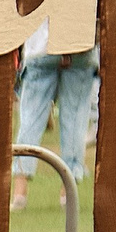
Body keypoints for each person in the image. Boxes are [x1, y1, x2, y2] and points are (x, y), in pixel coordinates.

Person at [10, 21, 96, 210]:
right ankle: (68, 196)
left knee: (30, 120)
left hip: (40, 45)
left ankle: (19, 193)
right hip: (80, 44)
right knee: (74, 121)